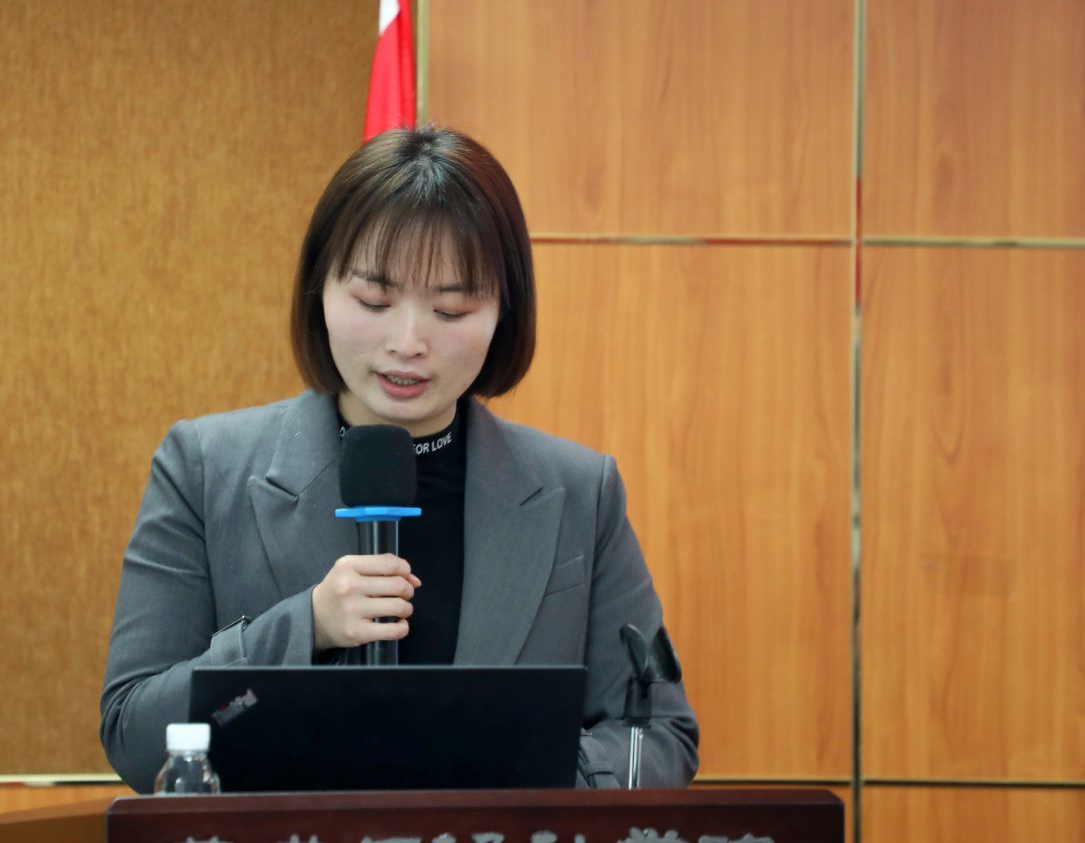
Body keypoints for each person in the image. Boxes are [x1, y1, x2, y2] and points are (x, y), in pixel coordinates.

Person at [100, 127, 699, 790]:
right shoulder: (204, 468)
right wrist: (304, 627)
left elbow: (658, 733)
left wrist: (528, 784)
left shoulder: (581, 491)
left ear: (503, 311)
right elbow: (135, 735)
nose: (408, 342)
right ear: (320, 291)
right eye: (374, 302)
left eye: (452, 309)